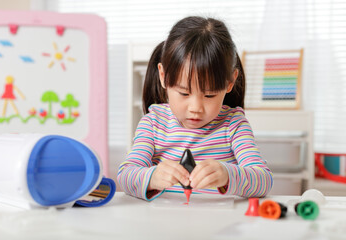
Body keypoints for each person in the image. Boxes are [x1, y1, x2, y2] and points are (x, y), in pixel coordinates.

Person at [117, 16, 273, 201]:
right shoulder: (153, 124)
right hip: (163, 223)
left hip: (221, 224)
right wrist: (152, 177)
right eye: (183, 93)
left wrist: (227, 174)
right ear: (163, 76)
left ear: (230, 82)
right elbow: (125, 176)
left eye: (209, 95)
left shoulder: (234, 125)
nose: (195, 108)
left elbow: (264, 180)